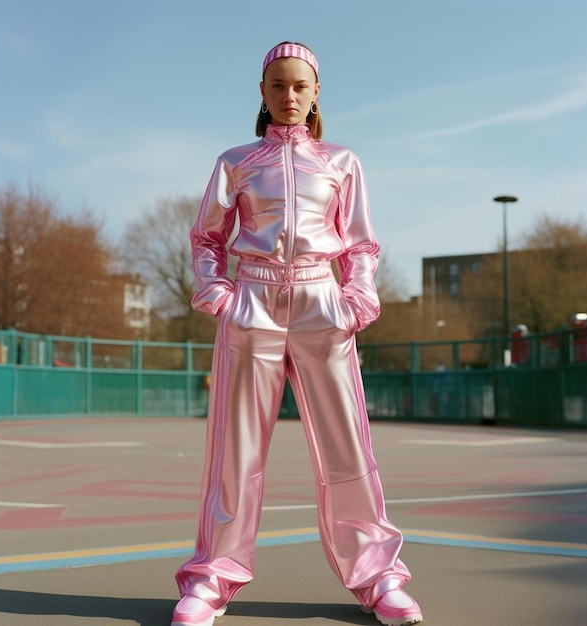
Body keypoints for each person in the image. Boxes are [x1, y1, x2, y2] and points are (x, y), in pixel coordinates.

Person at [172, 41, 423, 626]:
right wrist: (219, 293)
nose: (290, 96)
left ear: (316, 94)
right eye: (279, 86)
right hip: (251, 301)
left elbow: (360, 243)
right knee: (234, 450)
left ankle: (380, 577)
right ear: (262, 93)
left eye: (300, 87)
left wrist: (356, 296)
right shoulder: (236, 162)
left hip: (322, 302)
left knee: (347, 447)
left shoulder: (342, 163)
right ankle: (211, 579)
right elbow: (207, 238)